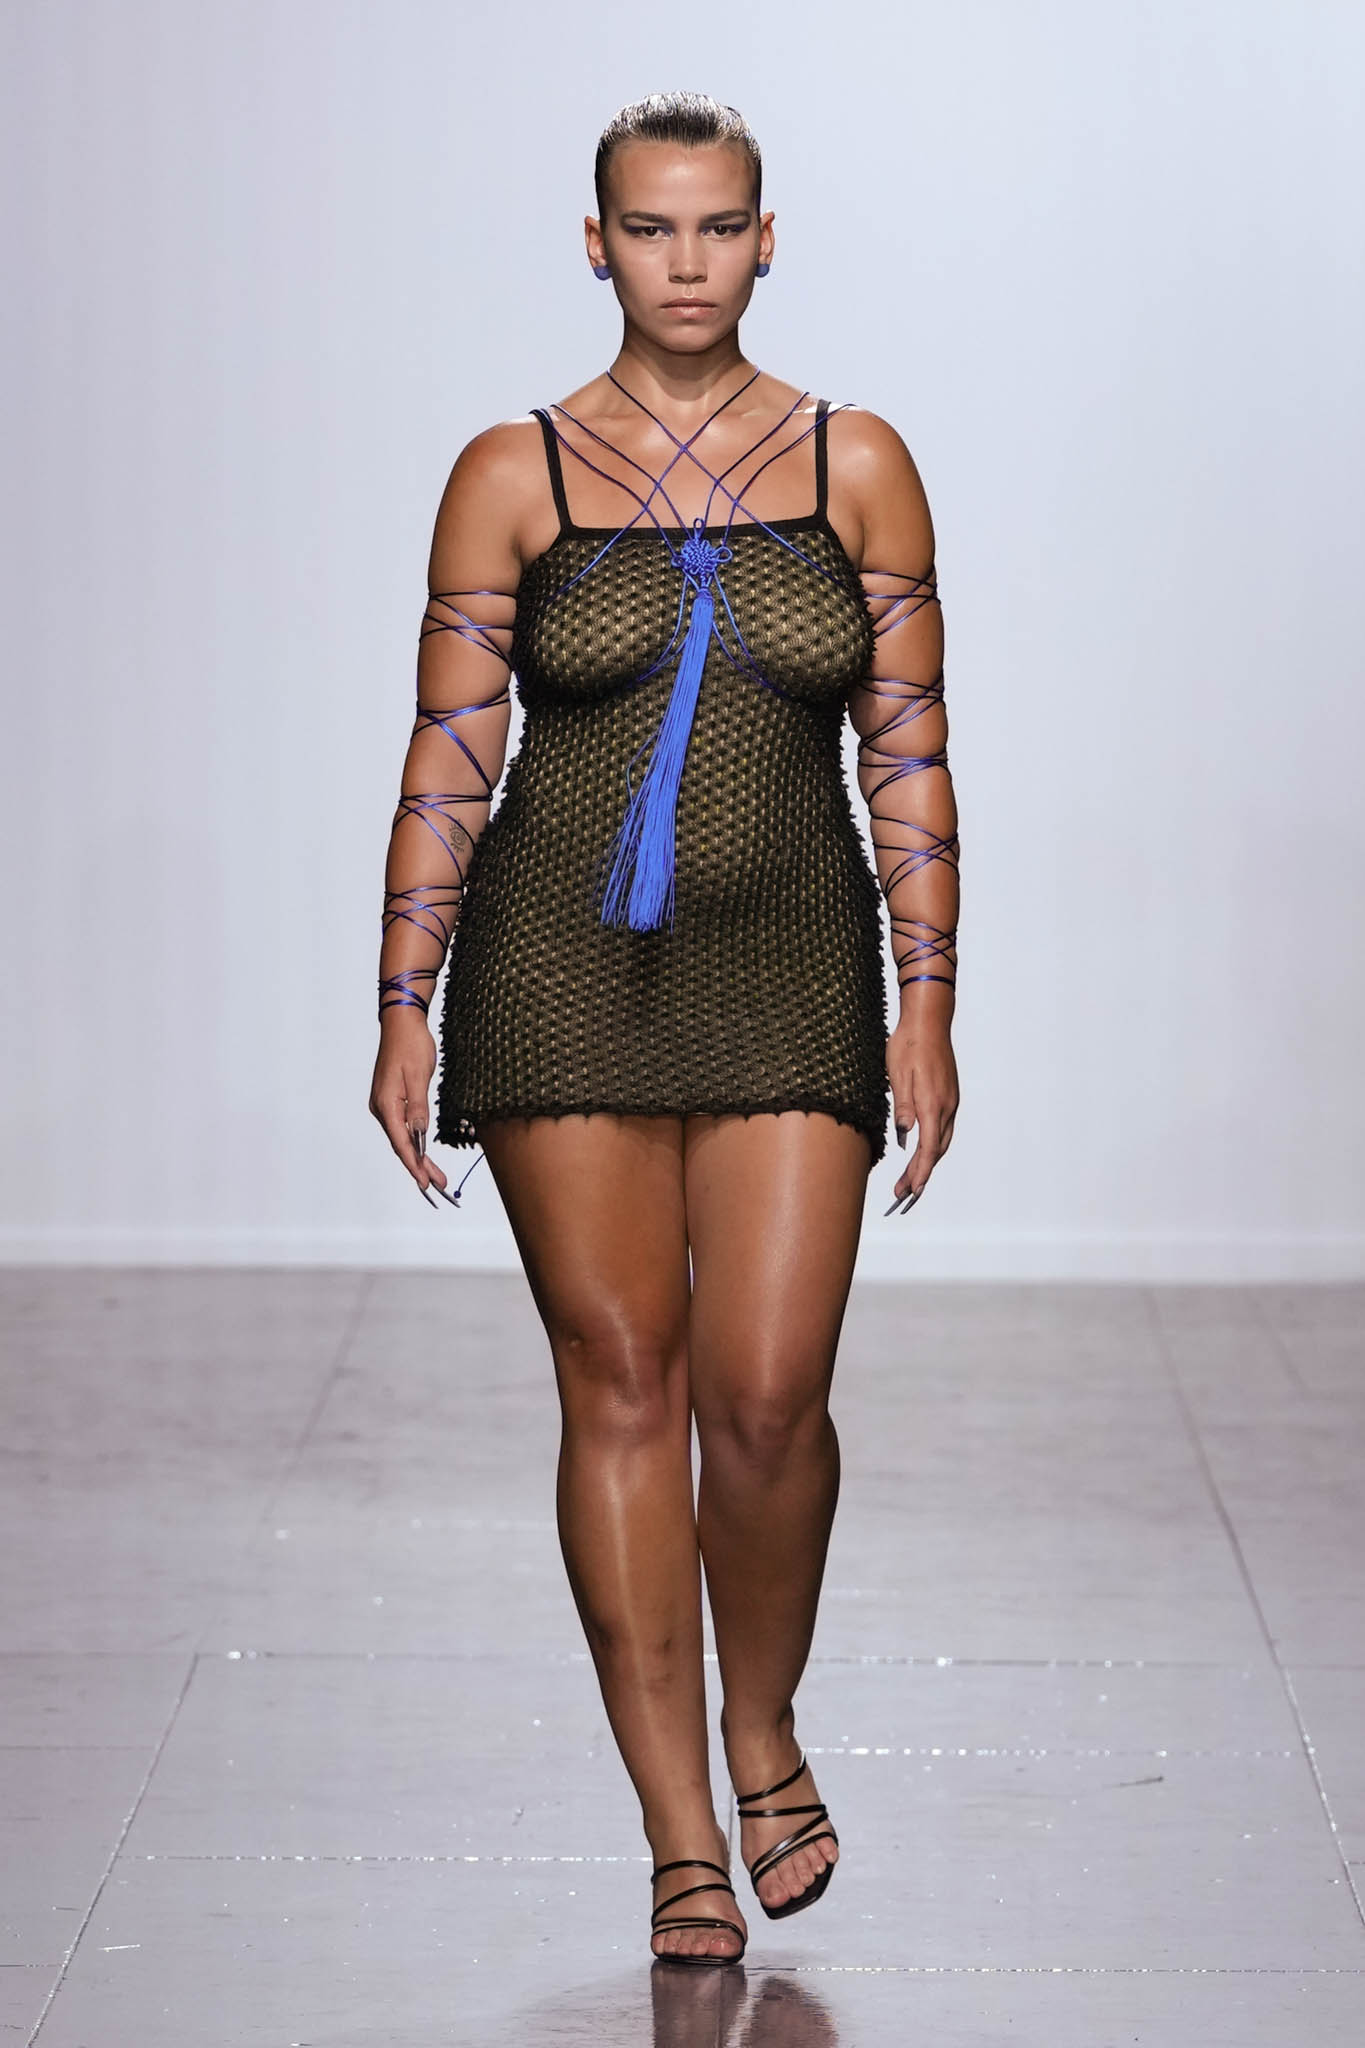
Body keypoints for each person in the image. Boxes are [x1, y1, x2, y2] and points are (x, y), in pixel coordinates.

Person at [369, 91, 960, 1967]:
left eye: (715, 228)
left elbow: (907, 756)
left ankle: (760, 1721)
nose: (683, 262)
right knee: (619, 1382)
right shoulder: (513, 470)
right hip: (560, 972)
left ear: (765, 240)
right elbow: (449, 760)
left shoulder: (856, 462)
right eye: (648, 228)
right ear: (596, 242)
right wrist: (401, 1002)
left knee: (767, 1396)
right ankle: (680, 1831)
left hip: (790, 959)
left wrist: (929, 1003)